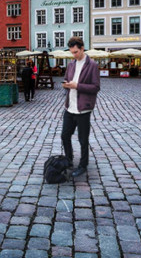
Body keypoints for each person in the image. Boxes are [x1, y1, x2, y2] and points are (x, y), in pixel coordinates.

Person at [61, 36, 100, 178]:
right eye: (72, 52)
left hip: (83, 108)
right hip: (69, 107)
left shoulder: (92, 65)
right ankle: (69, 160)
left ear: (82, 48)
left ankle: (83, 165)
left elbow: (95, 87)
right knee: (65, 135)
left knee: (83, 139)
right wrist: (66, 84)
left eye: (76, 52)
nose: (74, 55)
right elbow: (67, 80)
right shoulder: (71, 64)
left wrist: (77, 86)